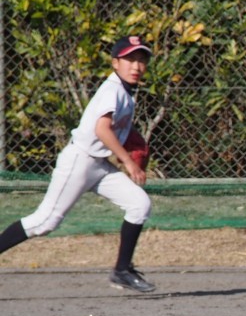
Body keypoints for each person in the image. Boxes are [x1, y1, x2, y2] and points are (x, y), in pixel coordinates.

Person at [0, 35, 157, 292]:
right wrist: (128, 161)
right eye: (130, 59)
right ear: (115, 63)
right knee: (44, 222)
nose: (136, 66)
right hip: (79, 162)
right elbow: (102, 129)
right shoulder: (113, 89)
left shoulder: (126, 93)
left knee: (139, 205)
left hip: (98, 165)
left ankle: (121, 271)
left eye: (141, 60)